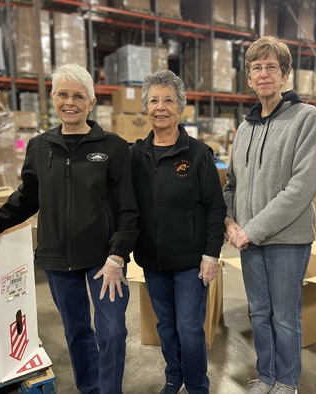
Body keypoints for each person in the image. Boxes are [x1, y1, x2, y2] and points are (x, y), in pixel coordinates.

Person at [0, 63, 139, 394]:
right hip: (57, 258)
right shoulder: (39, 147)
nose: (70, 102)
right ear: (52, 98)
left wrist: (117, 255)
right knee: (76, 330)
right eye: (63, 94)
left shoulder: (114, 147)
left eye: (79, 96)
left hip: (104, 259)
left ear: (91, 102)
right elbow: (25, 199)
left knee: (112, 331)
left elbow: (129, 209)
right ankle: (90, 388)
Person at [223, 36, 316, 394]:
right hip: (248, 240)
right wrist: (231, 224)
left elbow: (302, 186)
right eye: (256, 68)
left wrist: (252, 230)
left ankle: (287, 381)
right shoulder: (244, 127)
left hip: (286, 241)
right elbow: (231, 183)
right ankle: (266, 376)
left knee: (284, 316)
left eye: (271, 67)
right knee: (259, 314)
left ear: (285, 75)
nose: (264, 74)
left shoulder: (305, 117)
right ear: (249, 78)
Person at [129, 69, 226, 394]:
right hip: (153, 262)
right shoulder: (136, 155)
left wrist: (211, 255)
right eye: (154, 100)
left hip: (190, 264)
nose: (161, 107)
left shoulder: (198, 154)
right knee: (166, 327)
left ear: (180, 107)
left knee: (189, 328)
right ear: (146, 107)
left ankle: (197, 385)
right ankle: (174, 378)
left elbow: (215, 207)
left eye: (168, 100)